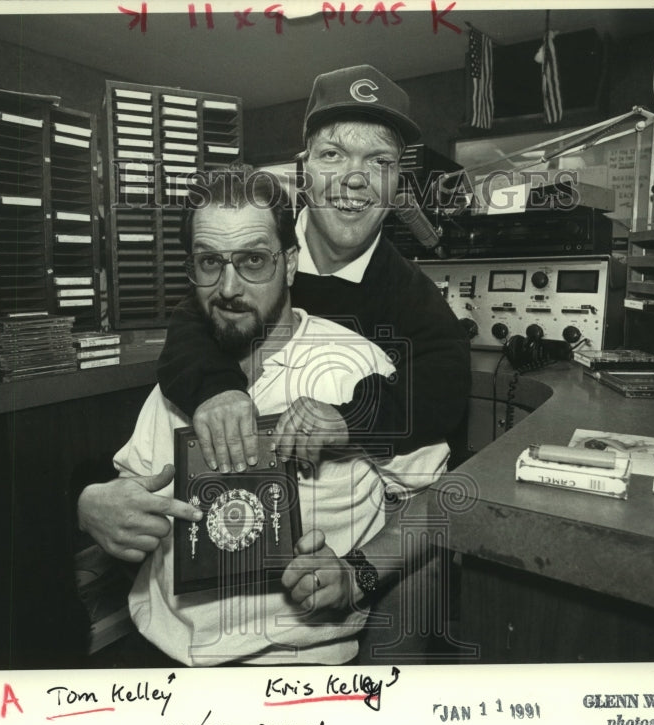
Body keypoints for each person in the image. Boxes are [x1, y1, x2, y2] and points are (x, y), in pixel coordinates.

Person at [78, 169, 448, 665]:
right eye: (210, 262)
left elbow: (441, 502)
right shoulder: (181, 377)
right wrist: (93, 506)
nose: (228, 287)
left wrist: (358, 573)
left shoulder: (356, 368)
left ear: (290, 264)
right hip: (158, 651)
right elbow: (132, 495)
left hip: (287, 670)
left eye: (253, 260)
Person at [157, 65, 471, 475]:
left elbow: (445, 383)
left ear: (398, 181)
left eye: (379, 161)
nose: (354, 179)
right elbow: (191, 323)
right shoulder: (258, 252)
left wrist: (349, 418)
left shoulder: (410, 293)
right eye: (332, 155)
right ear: (304, 169)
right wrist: (215, 391)